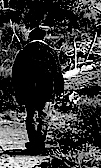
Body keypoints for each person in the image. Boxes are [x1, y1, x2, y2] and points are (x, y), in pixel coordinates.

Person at [11, 26, 64, 154]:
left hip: (29, 91)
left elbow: (16, 74)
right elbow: (57, 72)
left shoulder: (24, 52)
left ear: (31, 37)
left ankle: (33, 142)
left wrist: (18, 92)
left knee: (31, 117)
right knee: (44, 117)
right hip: (47, 90)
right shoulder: (50, 51)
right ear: (44, 37)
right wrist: (59, 89)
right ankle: (40, 142)